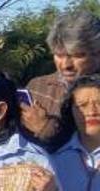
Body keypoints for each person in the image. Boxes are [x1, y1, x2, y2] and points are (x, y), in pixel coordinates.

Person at [22, 9, 100, 152]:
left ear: (97, 53)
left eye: (77, 55)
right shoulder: (37, 87)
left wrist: (46, 129)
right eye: (59, 55)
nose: (66, 65)